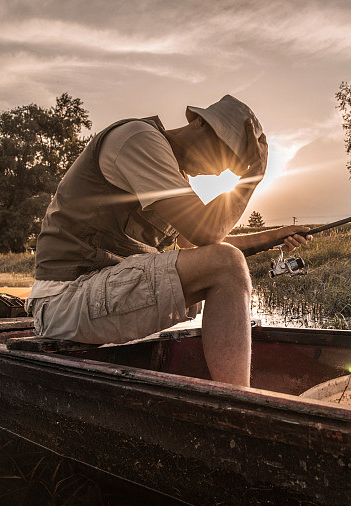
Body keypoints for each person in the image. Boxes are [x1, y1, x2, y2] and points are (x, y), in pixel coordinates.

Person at [26, 95, 311, 387]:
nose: (220, 171)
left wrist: (271, 238)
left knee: (225, 262)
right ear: (199, 122)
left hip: (97, 294)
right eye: (223, 154)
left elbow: (200, 247)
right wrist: (252, 177)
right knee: (227, 264)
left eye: (232, 167)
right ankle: (239, 404)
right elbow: (208, 236)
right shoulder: (138, 139)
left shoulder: (173, 173)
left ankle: (234, 396)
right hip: (64, 299)